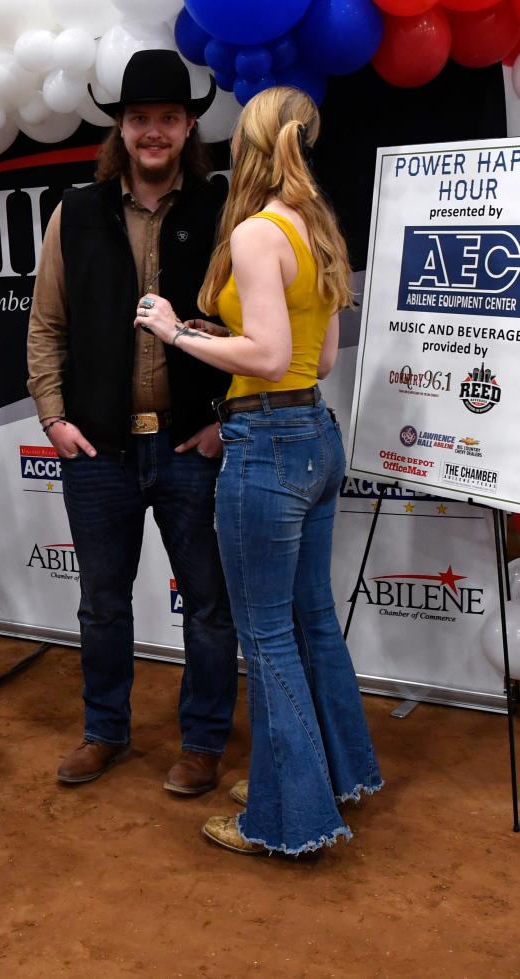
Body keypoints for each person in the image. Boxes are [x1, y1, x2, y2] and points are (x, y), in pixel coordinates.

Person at [134, 85, 383, 855]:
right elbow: (317, 356)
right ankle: (330, 774)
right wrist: (226, 335)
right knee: (309, 620)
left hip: (268, 445)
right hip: (314, 433)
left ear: (249, 145)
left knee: (268, 635)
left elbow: (268, 358)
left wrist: (180, 334)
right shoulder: (316, 230)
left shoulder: (253, 233)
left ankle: (286, 818)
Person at [27, 49, 239, 795]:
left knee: (209, 605)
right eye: (140, 118)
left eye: (168, 119)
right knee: (101, 604)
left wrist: (225, 420)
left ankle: (204, 742)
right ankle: (105, 731)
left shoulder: (225, 208)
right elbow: (47, 324)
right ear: (121, 128)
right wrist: (53, 416)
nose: (154, 132)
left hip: (194, 445)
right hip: (100, 452)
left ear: (188, 127)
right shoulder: (76, 210)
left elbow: (259, 326)